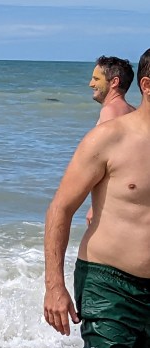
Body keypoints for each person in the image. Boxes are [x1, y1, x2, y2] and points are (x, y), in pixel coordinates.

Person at [43, 48, 150, 348]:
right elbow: (60, 208)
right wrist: (54, 285)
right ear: (147, 86)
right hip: (108, 283)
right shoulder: (109, 138)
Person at [84, 56, 135, 225]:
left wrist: (95, 206)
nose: (91, 84)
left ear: (114, 82)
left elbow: (111, 161)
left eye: (96, 79)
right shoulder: (133, 112)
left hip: (111, 204)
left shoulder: (110, 112)